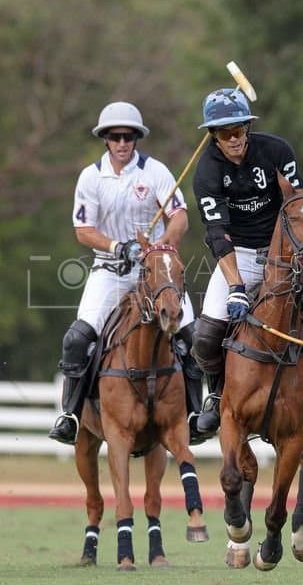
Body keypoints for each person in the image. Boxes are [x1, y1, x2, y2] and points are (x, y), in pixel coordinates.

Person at [189, 89, 303, 441]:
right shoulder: (207, 173)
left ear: (247, 128)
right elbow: (217, 235)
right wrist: (236, 288)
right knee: (206, 333)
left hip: (287, 251)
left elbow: (300, 203)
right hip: (238, 254)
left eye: (238, 130)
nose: (233, 139)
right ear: (212, 135)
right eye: (224, 133)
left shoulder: (275, 151)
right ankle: (215, 395)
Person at [47, 101, 205, 445]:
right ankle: (71, 415)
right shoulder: (91, 176)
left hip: (154, 272)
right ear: (105, 139)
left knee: (191, 337)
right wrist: (118, 246)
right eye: (115, 136)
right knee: (77, 339)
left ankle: (195, 415)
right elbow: (83, 229)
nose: (122, 143)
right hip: (110, 271)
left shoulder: (156, 172)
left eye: (129, 136)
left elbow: (180, 216)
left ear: (136, 138)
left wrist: (162, 244)